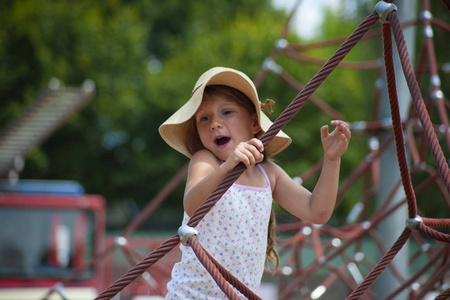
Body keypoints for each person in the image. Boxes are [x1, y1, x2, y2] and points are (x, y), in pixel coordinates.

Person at [159, 67, 351, 299]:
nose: (214, 124)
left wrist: (332, 160)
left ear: (253, 123)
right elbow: (192, 205)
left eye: (227, 112)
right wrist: (229, 165)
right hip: (190, 295)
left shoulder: (268, 174)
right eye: (204, 118)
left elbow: (317, 211)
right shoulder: (206, 161)